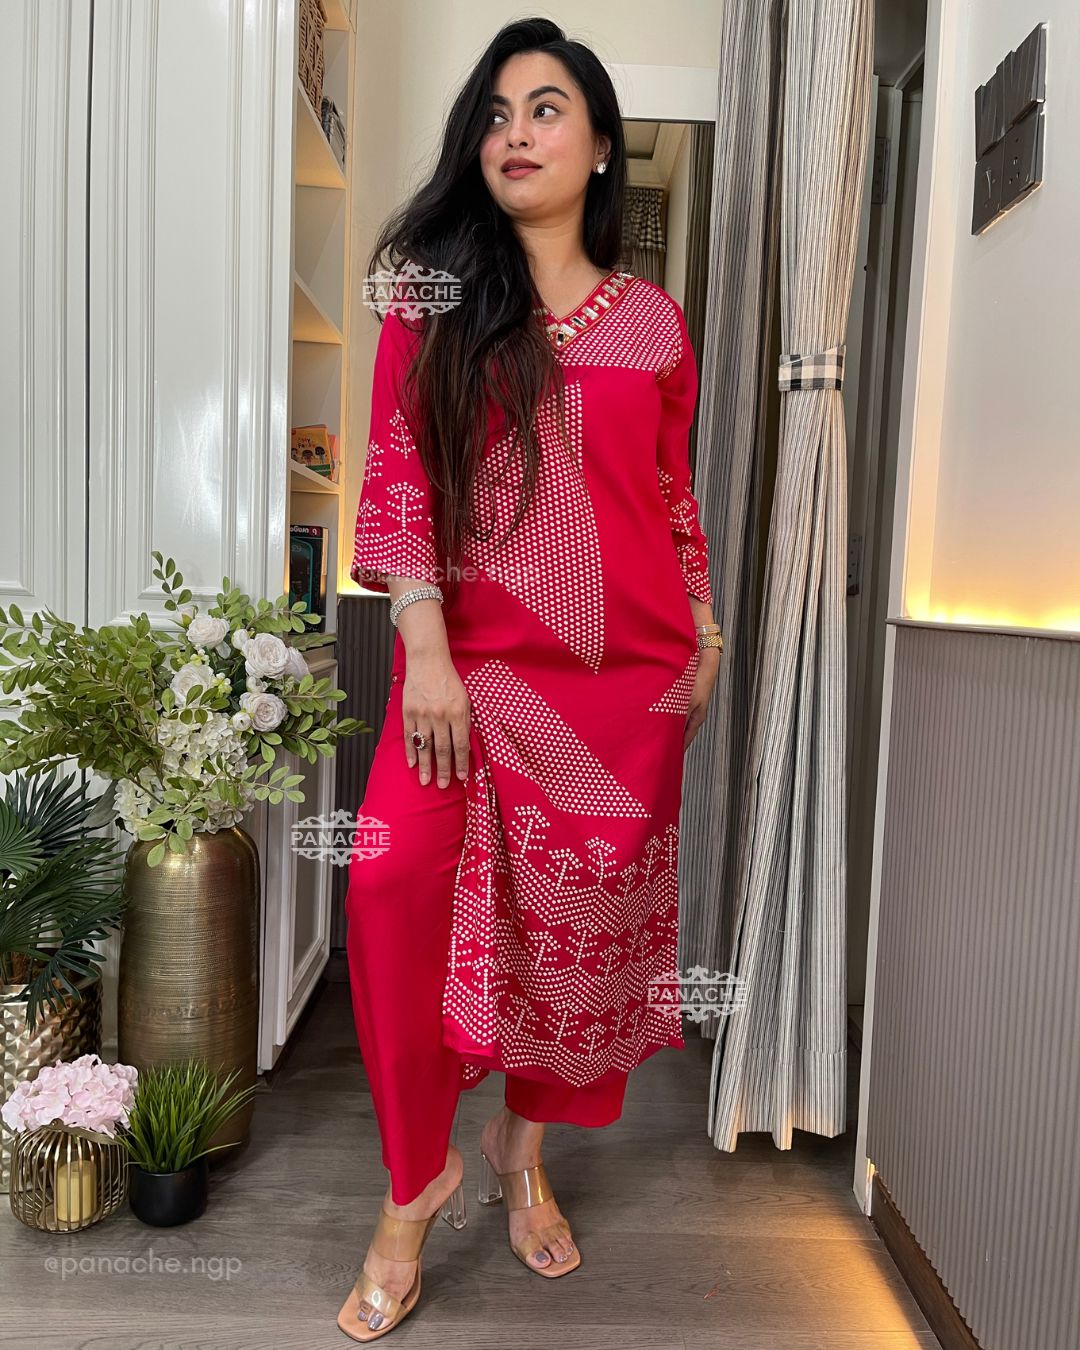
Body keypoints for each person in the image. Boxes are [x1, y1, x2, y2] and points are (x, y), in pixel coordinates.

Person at [338, 16, 722, 1342]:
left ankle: (522, 1148)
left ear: (602, 145)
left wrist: (707, 627)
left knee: (570, 946)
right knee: (387, 887)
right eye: (496, 113)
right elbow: (396, 475)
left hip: (624, 691)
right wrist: (424, 648)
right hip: (463, 677)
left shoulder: (656, 323)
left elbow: (670, 496)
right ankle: (413, 1185)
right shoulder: (431, 296)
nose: (516, 132)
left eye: (547, 108)